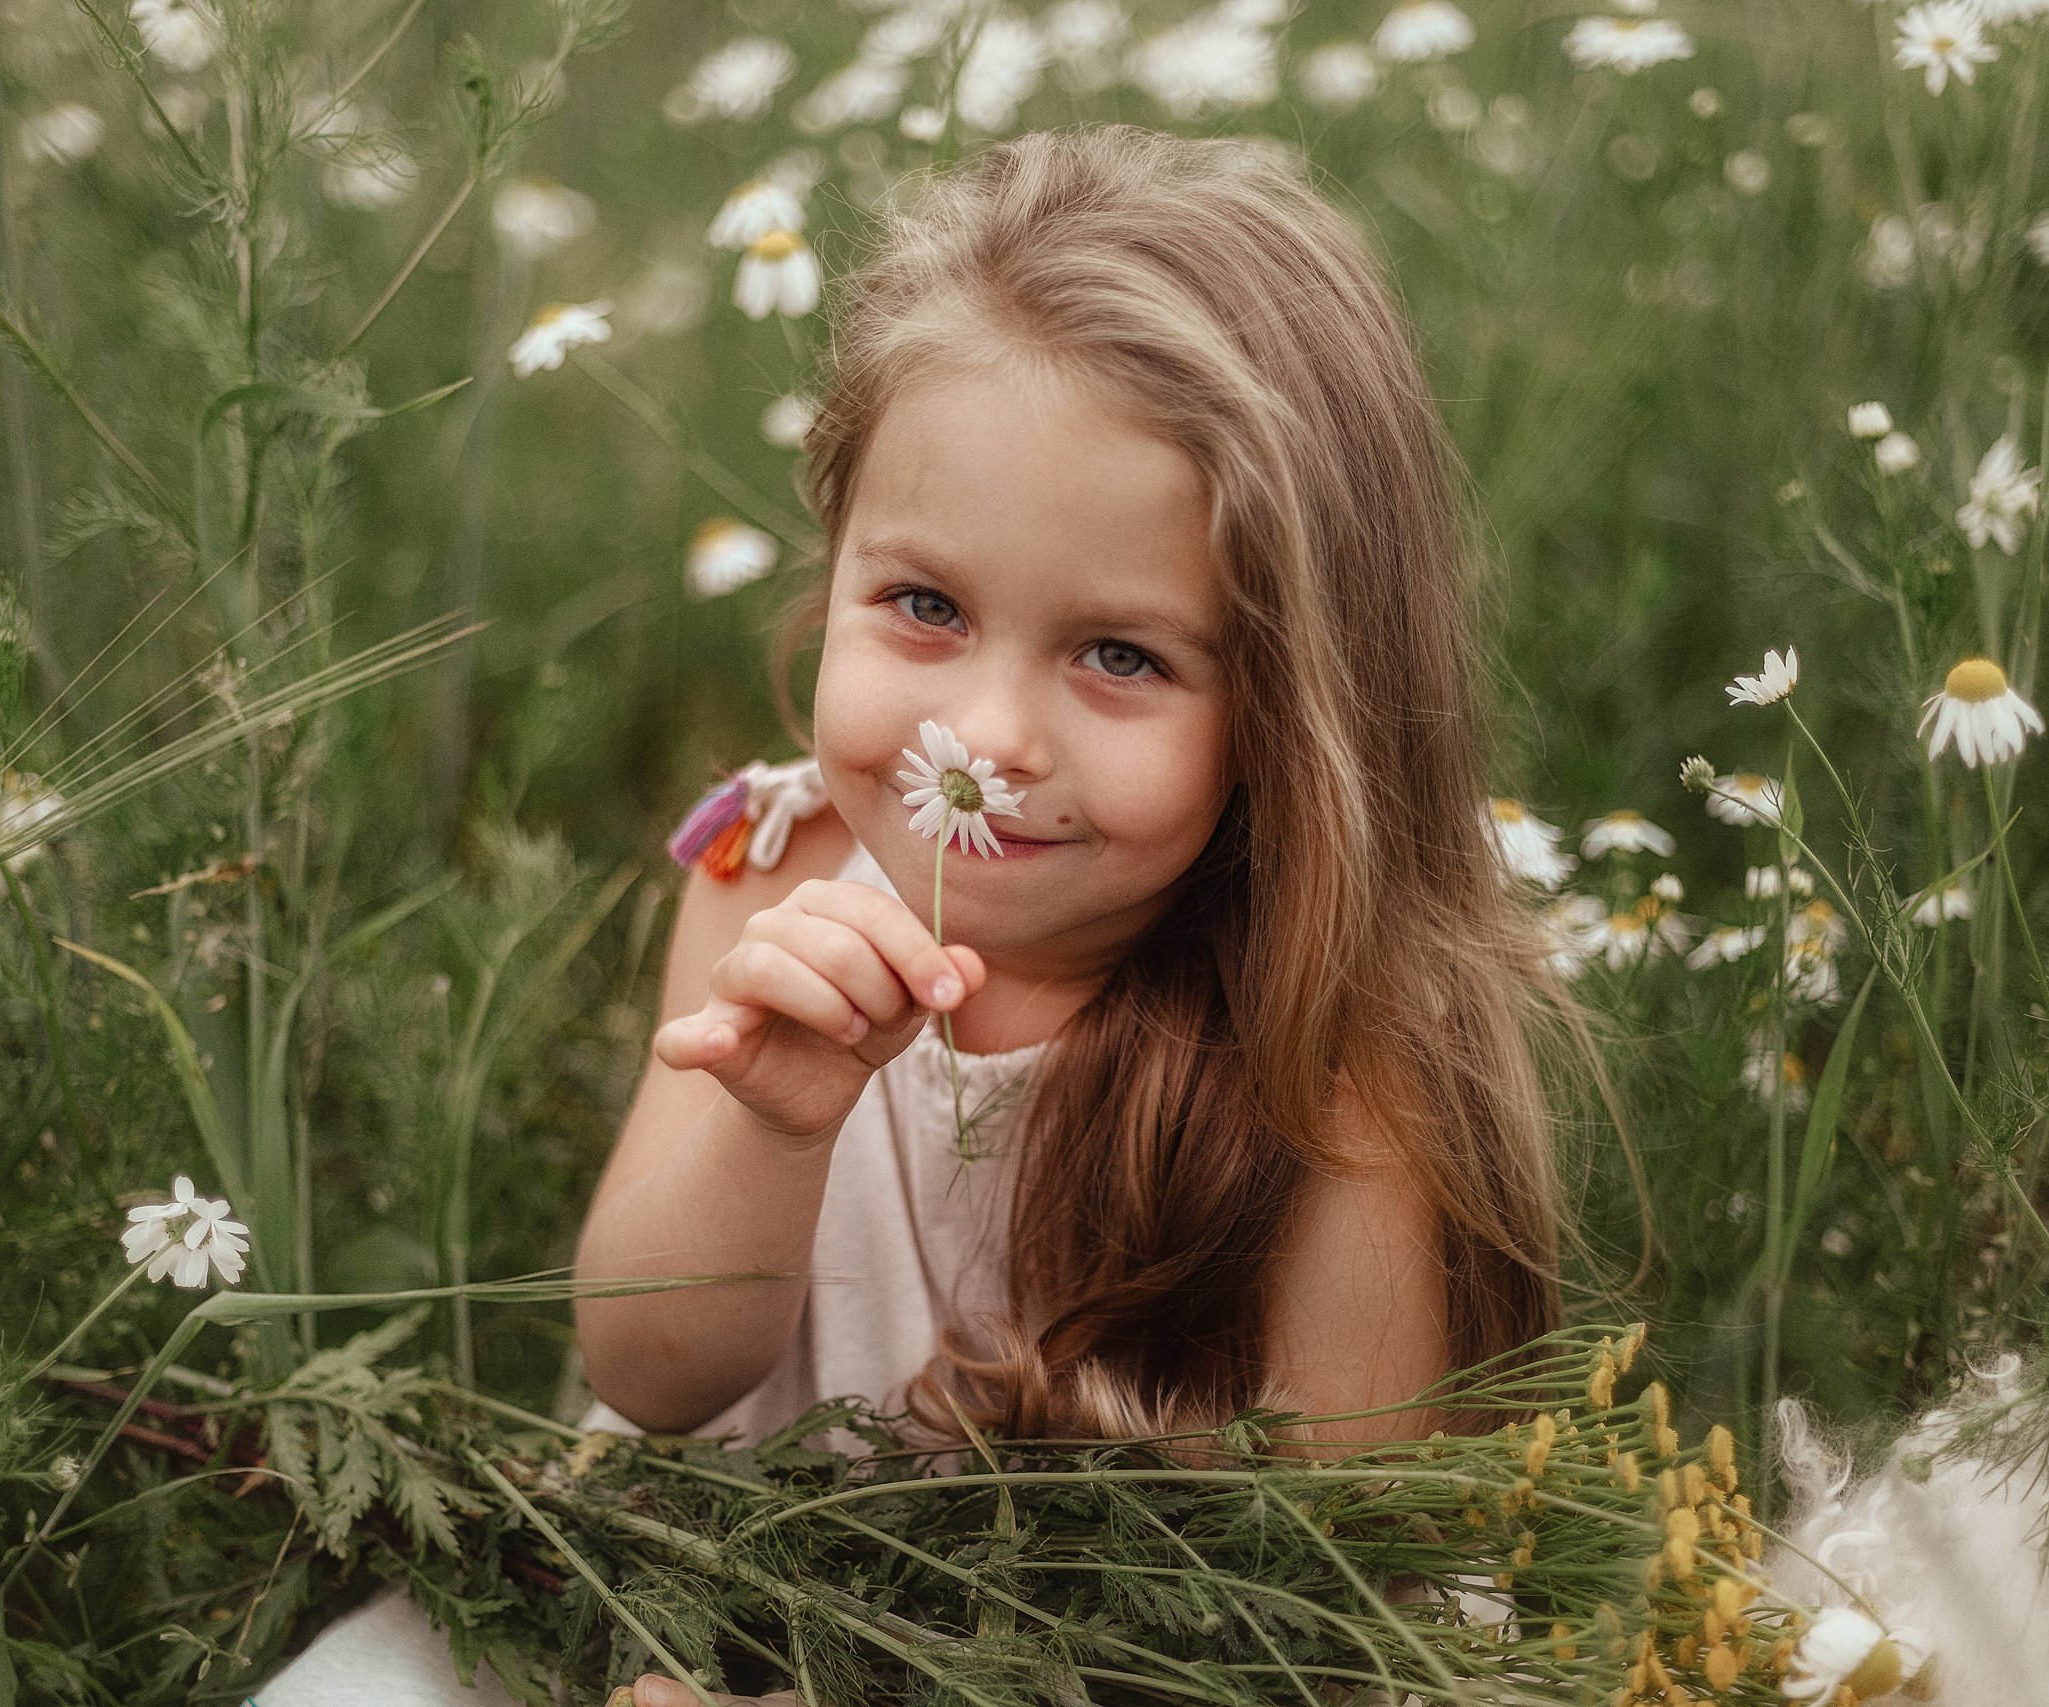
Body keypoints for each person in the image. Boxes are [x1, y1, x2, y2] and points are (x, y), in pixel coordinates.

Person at [254, 124, 1568, 1707]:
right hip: (719, 1566)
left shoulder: (1334, 1048)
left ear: (1301, 709)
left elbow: (1331, 1589)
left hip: (1143, 1666)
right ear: (836, 565)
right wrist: (776, 1125)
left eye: (1122, 657)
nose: (984, 739)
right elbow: (650, 1376)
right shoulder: (769, 867)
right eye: (926, 607)